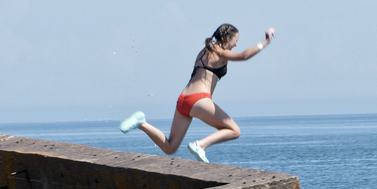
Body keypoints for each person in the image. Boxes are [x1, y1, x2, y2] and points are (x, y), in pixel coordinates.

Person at [118, 23, 275, 163]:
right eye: (235, 41)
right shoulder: (219, 52)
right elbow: (244, 56)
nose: (235, 45)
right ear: (227, 38)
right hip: (199, 100)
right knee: (235, 131)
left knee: (170, 147)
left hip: (183, 100)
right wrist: (266, 41)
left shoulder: (204, 50)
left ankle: (141, 123)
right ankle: (200, 145)